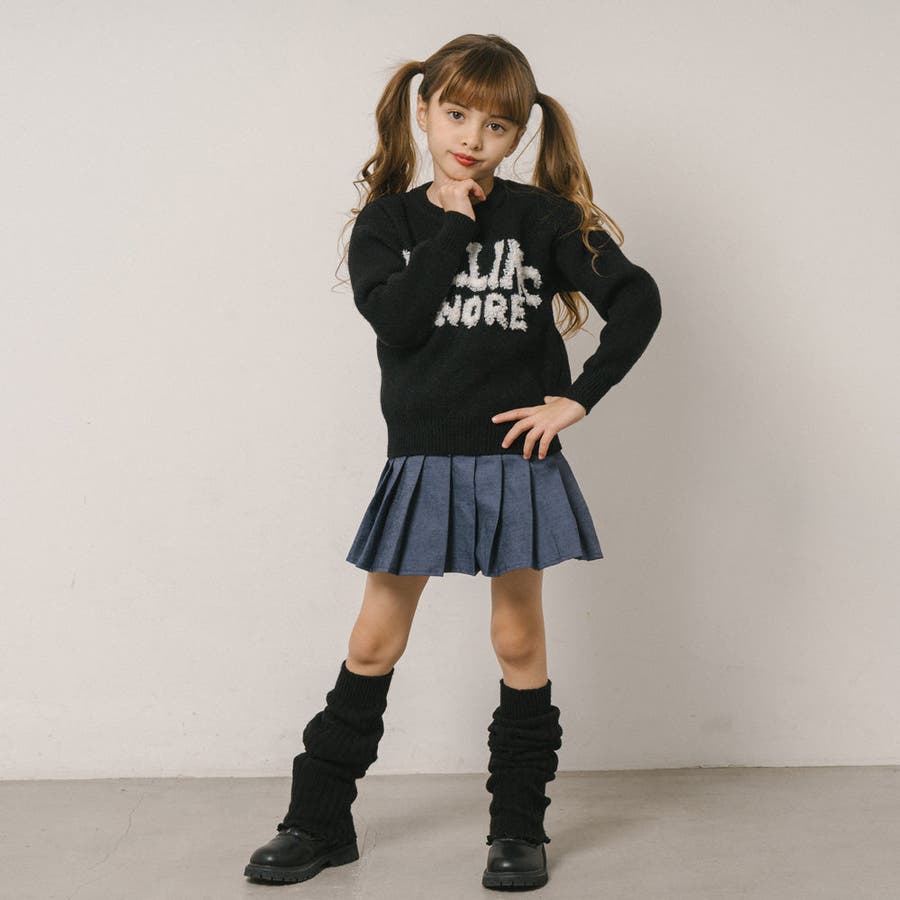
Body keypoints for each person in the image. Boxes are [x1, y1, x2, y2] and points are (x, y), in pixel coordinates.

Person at [244, 32, 662, 890]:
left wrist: (577, 399)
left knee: (518, 638)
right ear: (424, 109)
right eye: (458, 114)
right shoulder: (388, 224)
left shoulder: (543, 220)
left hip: (514, 459)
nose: (473, 137)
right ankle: (317, 821)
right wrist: (453, 223)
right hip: (423, 462)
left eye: (497, 125)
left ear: (521, 133)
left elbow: (637, 298)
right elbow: (399, 323)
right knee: (374, 638)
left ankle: (518, 831)